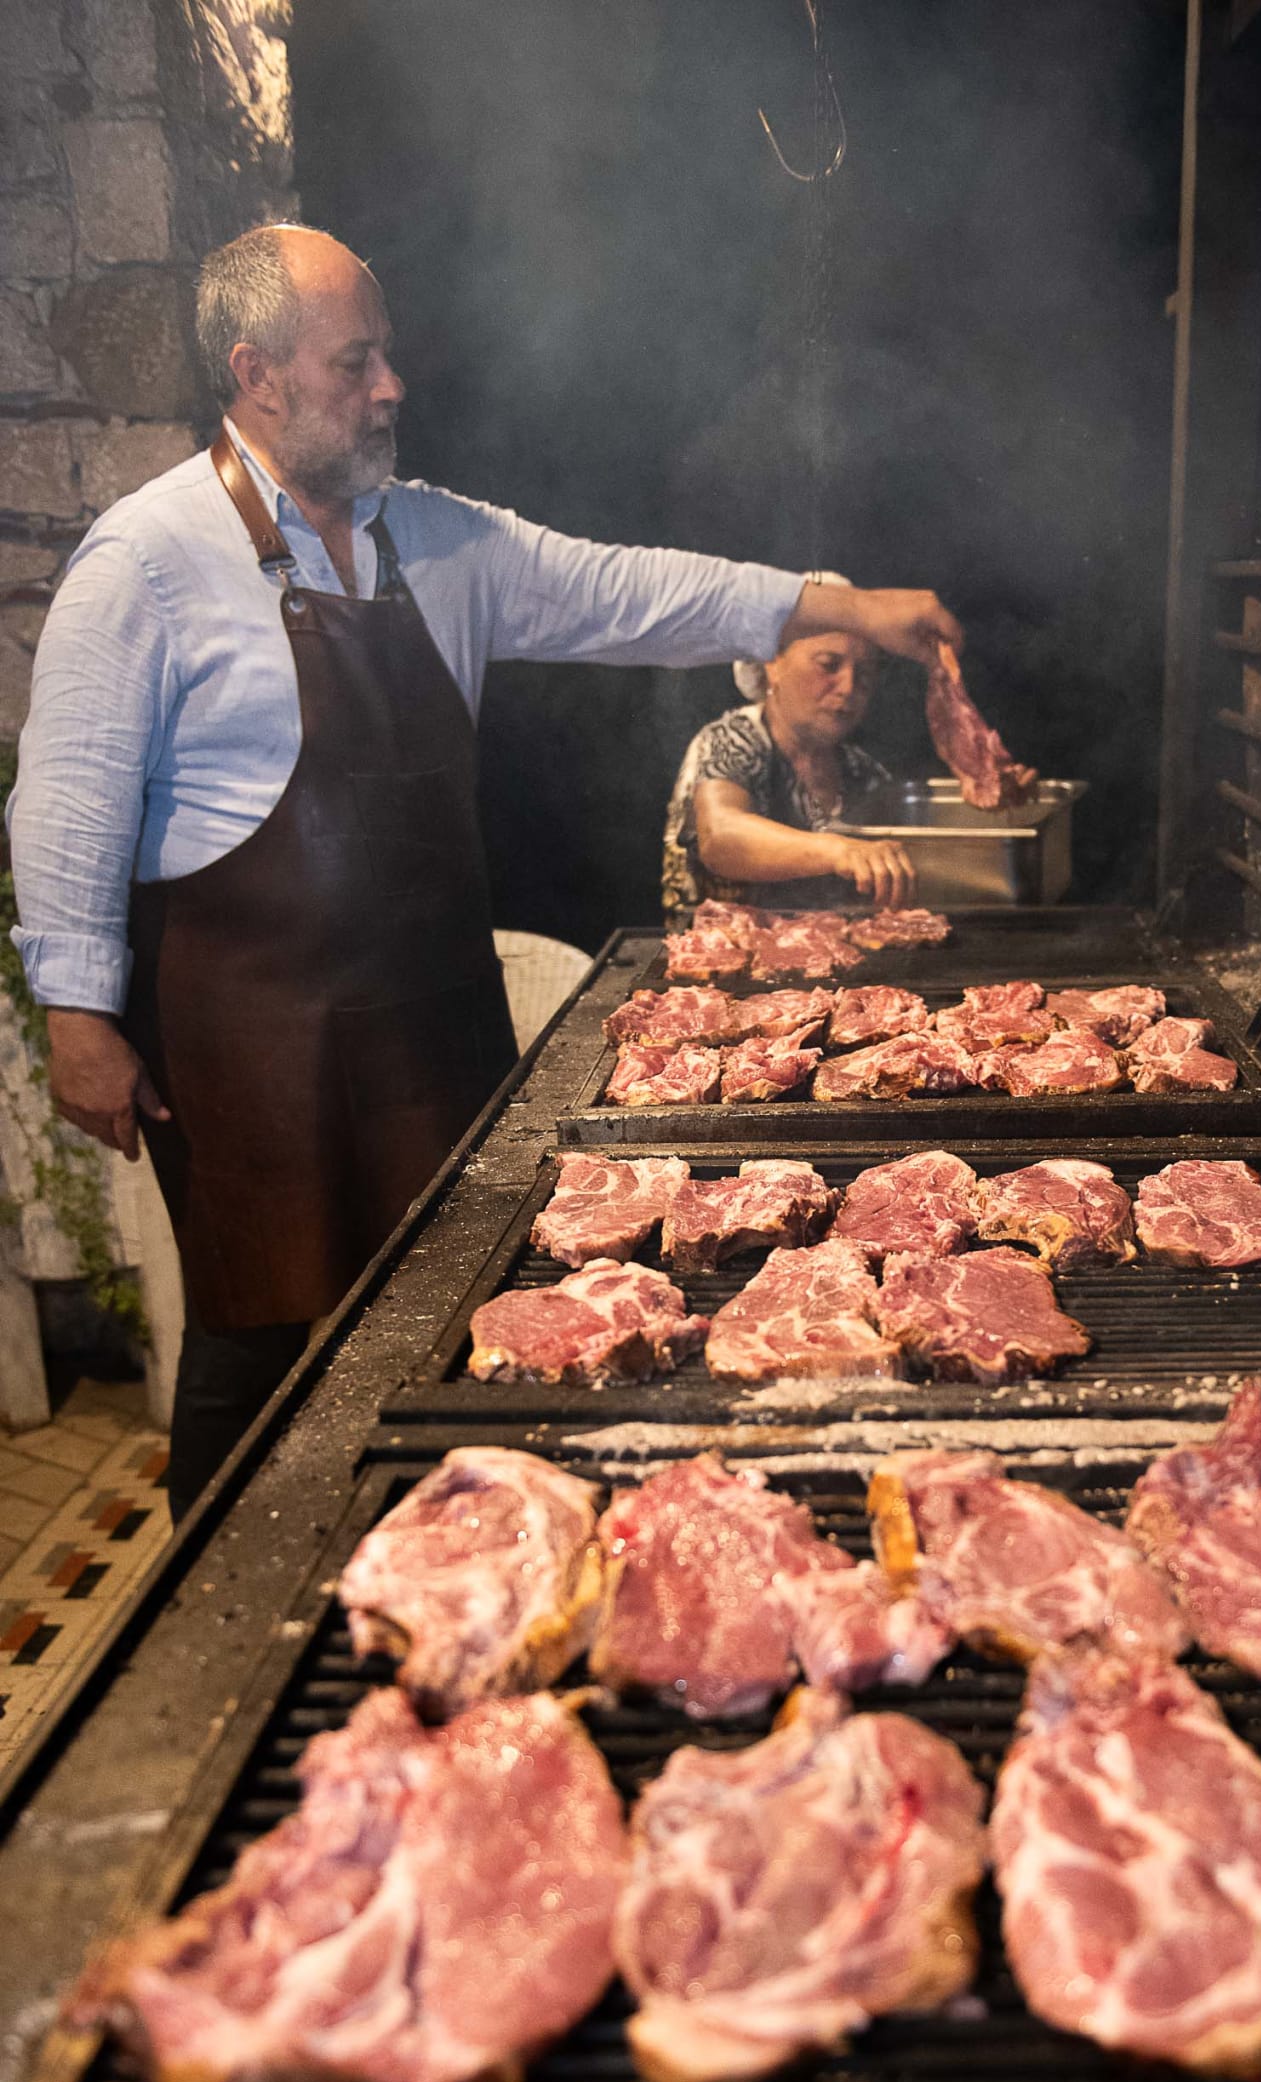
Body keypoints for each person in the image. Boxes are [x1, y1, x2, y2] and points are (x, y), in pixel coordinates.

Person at [6, 224, 960, 1519]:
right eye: (358, 362)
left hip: (429, 1015)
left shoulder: (434, 543)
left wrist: (829, 604)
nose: (392, 387)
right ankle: (217, 1596)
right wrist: (78, 1016)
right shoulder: (149, 557)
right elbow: (69, 796)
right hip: (248, 1037)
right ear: (257, 374)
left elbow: (626, 592)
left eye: (387, 356)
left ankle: (441, 1553)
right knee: (260, 1330)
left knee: (455, 1306)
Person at [662, 574, 915, 914]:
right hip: (726, 956)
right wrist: (838, 851)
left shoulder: (862, 771)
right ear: (772, 663)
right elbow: (720, 836)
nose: (848, 686)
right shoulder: (733, 739)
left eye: (865, 672)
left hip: (827, 955)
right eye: (829, 664)